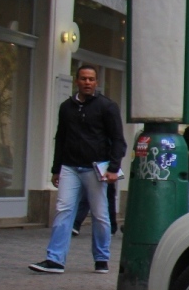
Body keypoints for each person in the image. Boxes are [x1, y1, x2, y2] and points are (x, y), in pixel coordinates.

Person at [31, 66, 126, 274]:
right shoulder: (67, 107)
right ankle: (55, 259)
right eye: (83, 79)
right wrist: (56, 169)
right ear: (77, 81)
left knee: (100, 215)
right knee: (63, 210)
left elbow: (118, 139)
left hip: (95, 168)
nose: (87, 82)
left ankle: (102, 258)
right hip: (70, 167)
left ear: (96, 82)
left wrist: (113, 167)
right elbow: (61, 138)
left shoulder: (107, 107)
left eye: (91, 79)